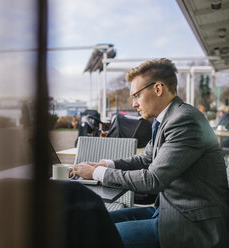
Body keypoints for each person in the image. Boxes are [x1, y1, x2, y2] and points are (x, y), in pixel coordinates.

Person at [73, 58, 229, 247]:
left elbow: (153, 180)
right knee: (96, 222)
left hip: (192, 224)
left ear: (158, 88)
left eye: (136, 95)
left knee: (99, 237)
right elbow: (146, 158)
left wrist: (96, 174)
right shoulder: (166, 119)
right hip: (167, 210)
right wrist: (105, 165)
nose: (133, 104)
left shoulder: (184, 120)